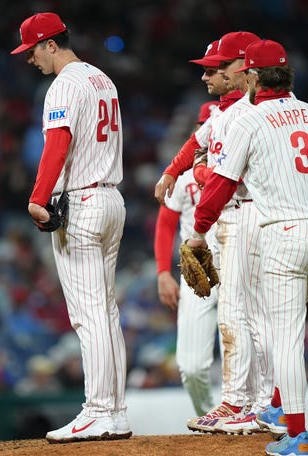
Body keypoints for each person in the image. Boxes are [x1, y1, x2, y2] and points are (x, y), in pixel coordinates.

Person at [10, 13, 131, 443]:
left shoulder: (63, 84)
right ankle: (114, 411)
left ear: (50, 44)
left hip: (81, 201)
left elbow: (58, 144)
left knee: (89, 314)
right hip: (112, 197)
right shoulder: (102, 78)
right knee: (107, 311)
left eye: (31, 51)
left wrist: (38, 198)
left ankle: (98, 410)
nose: (29, 60)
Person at [186, 39, 308, 456]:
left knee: (286, 338)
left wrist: (199, 230)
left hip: (282, 233)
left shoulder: (249, 120)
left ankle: (297, 430)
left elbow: (220, 185)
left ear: (252, 76)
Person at [156, 31, 266, 435]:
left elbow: (223, 179)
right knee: (251, 321)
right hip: (249, 217)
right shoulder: (230, 113)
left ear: (242, 67)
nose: (207, 76)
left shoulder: (250, 113)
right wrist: (173, 171)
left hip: (252, 216)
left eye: (216, 68)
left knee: (248, 319)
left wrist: (198, 174)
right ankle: (253, 403)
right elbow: (195, 144)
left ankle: (248, 403)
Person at [155, 101, 220, 417]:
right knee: (191, 366)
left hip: (239, 260)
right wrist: (163, 272)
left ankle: (254, 414)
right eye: (202, 126)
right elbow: (166, 222)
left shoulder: (243, 162)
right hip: (198, 270)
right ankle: (209, 416)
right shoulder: (182, 176)